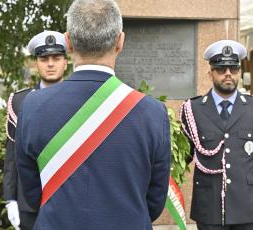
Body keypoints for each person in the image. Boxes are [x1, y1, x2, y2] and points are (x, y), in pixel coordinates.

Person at [15, 0, 171, 229]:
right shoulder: (152, 113)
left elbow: (31, 192)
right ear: (120, 41)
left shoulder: (33, 105)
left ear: (67, 42)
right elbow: (155, 200)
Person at [180, 40, 253, 230]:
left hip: (248, 206)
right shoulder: (193, 109)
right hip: (209, 207)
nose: (228, 74)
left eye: (233, 68)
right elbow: (183, 157)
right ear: (211, 73)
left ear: (239, 72)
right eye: (222, 69)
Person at [3, 30, 68, 230]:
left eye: (56, 58)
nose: (50, 64)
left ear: (66, 62)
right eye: (44, 58)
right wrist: (10, 199)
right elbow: (12, 155)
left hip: (68, 200)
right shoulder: (20, 101)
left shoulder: (80, 100)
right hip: (29, 205)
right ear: (36, 63)